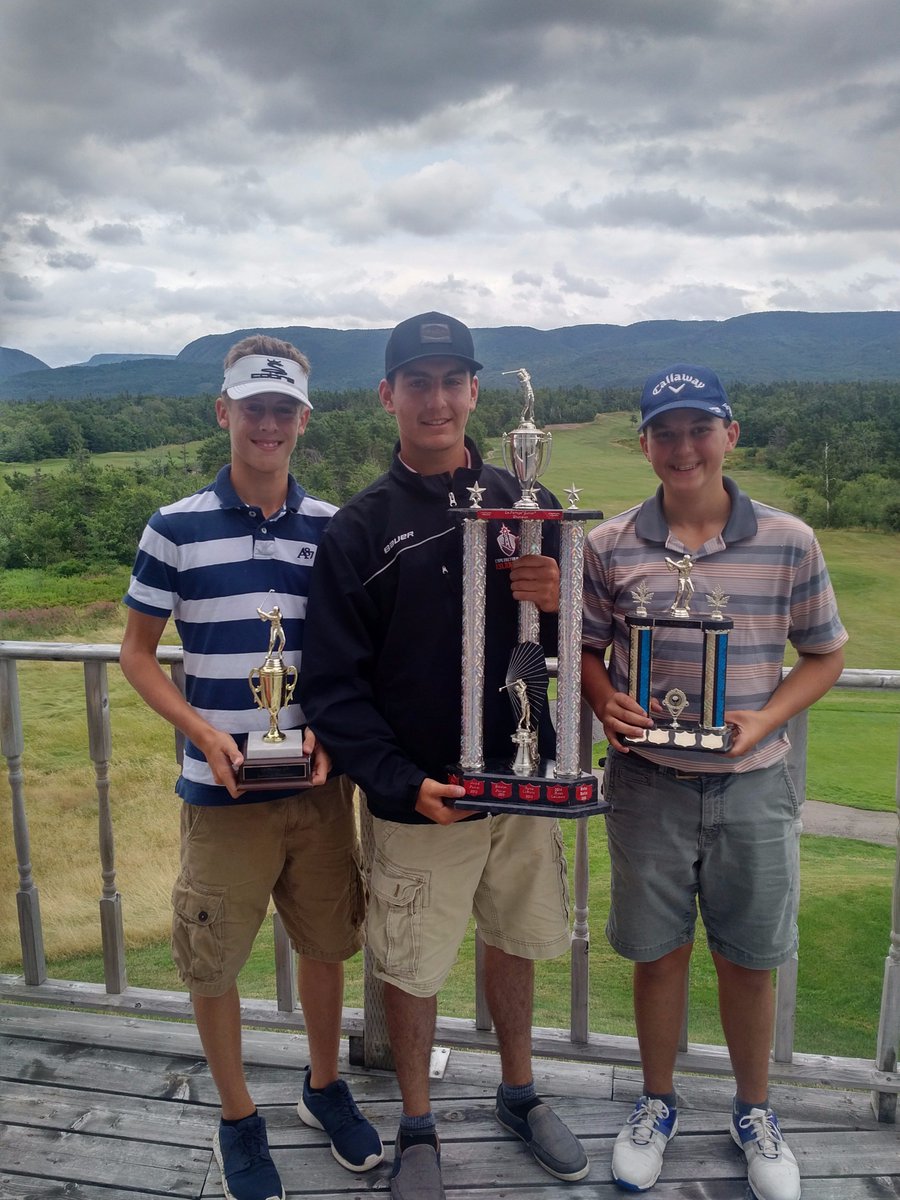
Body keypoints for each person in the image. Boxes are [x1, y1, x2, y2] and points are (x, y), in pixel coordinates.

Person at [299, 312, 589, 1200]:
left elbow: (569, 641)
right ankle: (417, 1123)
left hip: (523, 786)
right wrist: (396, 783)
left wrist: (557, 586)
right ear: (388, 395)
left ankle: (518, 1090)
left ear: (474, 392)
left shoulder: (524, 503)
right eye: (416, 382)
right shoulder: (359, 529)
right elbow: (334, 687)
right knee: (412, 962)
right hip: (424, 796)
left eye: (452, 380)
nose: (436, 399)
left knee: (516, 941)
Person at [120, 335, 383, 1200]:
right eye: (252, 407)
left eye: (284, 409)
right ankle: (238, 1118)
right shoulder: (176, 526)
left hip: (315, 788)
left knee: (324, 946)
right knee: (213, 963)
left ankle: (321, 1087)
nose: (267, 424)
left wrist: (333, 740)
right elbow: (138, 655)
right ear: (223, 411)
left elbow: (358, 657)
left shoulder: (334, 528)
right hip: (221, 789)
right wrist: (202, 732)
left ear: (304, 419)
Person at [581, 364, 847, 1200]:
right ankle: (656, 1104)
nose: (683, 446)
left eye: (700, 428)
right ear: (646, 443)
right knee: (657, 957)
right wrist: (605, 702)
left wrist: (766, 720)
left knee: (750, 960)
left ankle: (754, 1111)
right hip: (649, 780)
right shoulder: (610, 543)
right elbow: (586, 647)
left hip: (754, 784)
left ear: (730, 435)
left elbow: (826, 653)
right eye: (666, 431)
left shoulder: (790, 539)